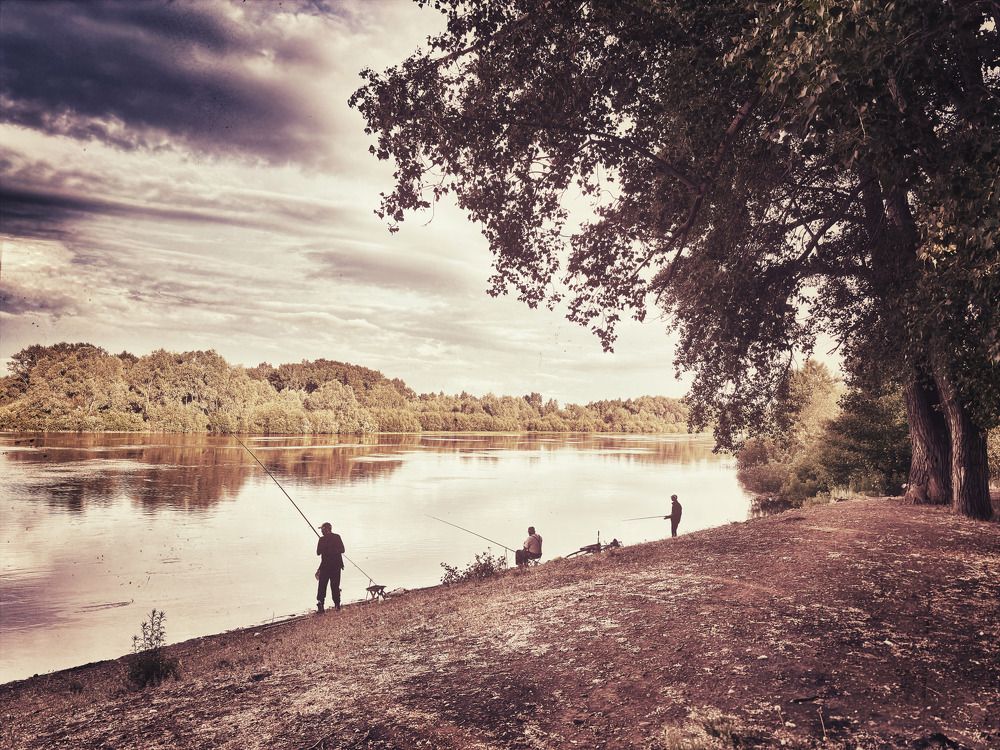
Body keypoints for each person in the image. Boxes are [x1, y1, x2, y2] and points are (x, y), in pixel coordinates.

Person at [315, 521, 345, 613]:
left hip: (326, 566)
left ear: (326, 529)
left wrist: (326, 547)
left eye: (322, 529)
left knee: (322, 586)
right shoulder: (337, 537)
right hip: (336, 565)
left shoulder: (322, 540)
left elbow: (318, 552)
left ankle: (321, 605)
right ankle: (337, 605)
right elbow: (342, 550)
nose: (321, 531)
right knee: (335, 586)